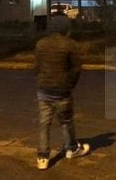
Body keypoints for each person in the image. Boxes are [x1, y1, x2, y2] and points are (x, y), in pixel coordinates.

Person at [34, 14, 90, 170]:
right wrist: (70, 85)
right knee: (66, 122)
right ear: (66, 28)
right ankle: (71, 149)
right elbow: (76, 69)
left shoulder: (41, 44)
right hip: (62, 90)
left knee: (44, 123)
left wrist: (40, 81)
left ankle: (42, 157)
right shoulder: (70, 45)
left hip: (43, 90)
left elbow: (36, 67)